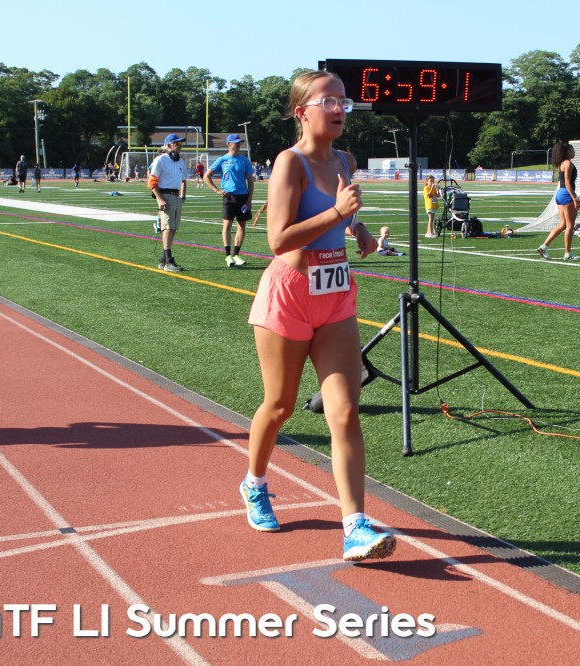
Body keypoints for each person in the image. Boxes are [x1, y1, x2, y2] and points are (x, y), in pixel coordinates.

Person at [243, 70, 393, 562]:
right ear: (301, 112)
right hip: (290, 294)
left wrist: (359, 230)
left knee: (345, 412)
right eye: (327, 100)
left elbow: (344, 213)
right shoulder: (290, 163)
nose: (338, 108)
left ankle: (355, 527)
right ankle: (255, 483)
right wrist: (337, 214)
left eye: (343, 101)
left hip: (336, 295)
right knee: (280, 405)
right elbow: (278, 239)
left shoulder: (345, 160)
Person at [203, 133, 255, 267]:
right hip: (229, 197)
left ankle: (236, 254)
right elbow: (206, 176)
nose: (238, 144)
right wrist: (217, 190)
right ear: (229, 144)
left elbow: (250, 181)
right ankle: (228, 256)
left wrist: (249, 200)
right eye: (235, 142)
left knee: (242, 226)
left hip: (243, 196)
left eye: (239, 142)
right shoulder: (222, 160)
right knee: (227, 225)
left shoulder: (244, 161)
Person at [148, 134, 188, 272]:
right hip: (165, 195)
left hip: (176, 196)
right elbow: (152, 182)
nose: (180, 146)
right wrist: (160, 199)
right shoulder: (160, 160)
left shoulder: (180, 161)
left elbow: (183, 180)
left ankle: (164, 259)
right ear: (169, 145)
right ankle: (168, 261)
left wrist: (183, 196)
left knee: (173, 228)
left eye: (181, 144)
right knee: (167, 227)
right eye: (178, 144)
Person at [537, 141, 580, 261]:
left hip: (560, 194)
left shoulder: (562, 163)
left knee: (563, 225)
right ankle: (568, 254)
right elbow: (567, 182)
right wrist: (575, 198)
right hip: (566, 194)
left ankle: (543, 247)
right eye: (572, 150)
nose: (574, 152)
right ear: (567, 152)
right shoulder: (568, 163)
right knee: (570, 225)